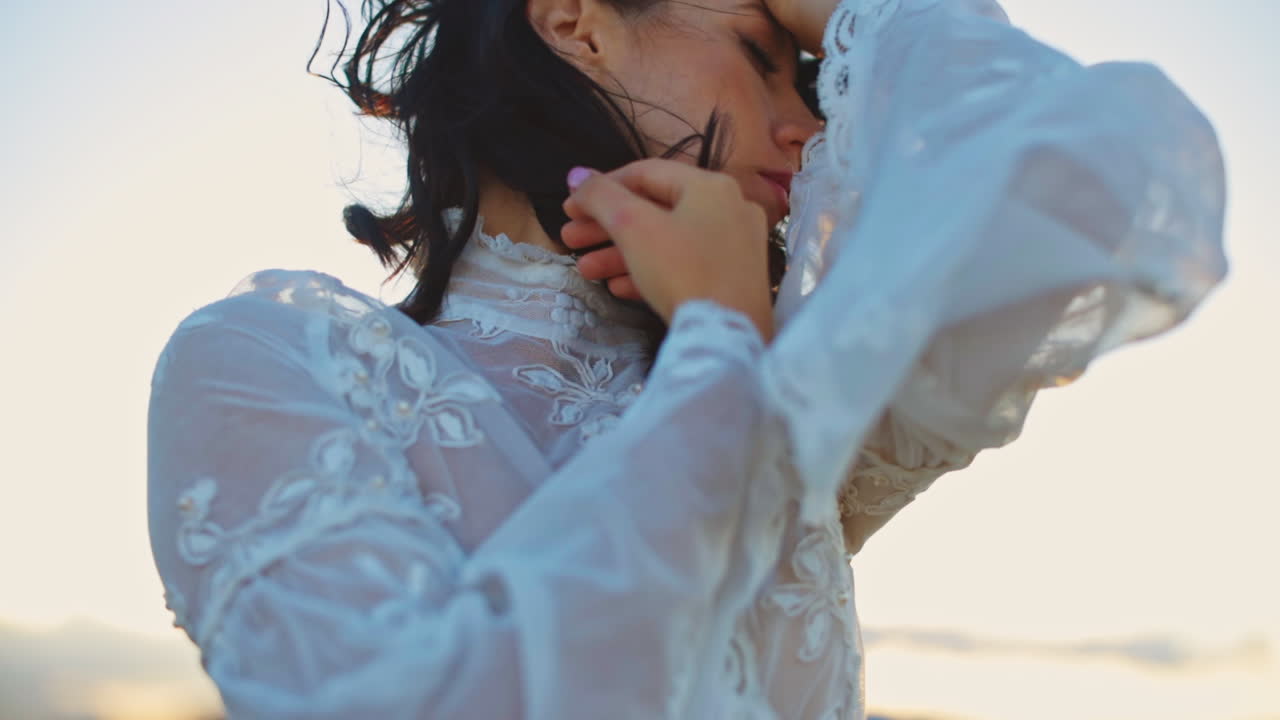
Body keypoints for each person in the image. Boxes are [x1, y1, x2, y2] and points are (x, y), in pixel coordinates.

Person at [146, 0, 1226, 717]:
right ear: (574, 20)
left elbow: (1112, 192)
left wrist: (860, 9)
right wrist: (717, 341)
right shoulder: (268, 356)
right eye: (764, 59)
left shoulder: (808, 377)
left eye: (822, 85)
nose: (809, 127)